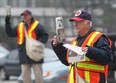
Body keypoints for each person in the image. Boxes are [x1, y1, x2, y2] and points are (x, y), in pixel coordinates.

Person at [52, 10, 112, 83]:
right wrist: (57, 46)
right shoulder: (75, 41)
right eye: (75, 22)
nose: (75, 24)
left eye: (79, 22)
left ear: (88, 23)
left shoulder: (99, 37)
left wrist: (89, 50)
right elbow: (67, 61)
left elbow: (106, 58)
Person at [5, 10, 49, 83]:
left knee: (38, 78)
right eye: (23, 15)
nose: (24, 17)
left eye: (26, 15)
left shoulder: (38, 25)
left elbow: (45, 35)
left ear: (30, 16)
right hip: (24, 56)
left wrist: (38, 43)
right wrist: (7, 22)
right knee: (26, 79)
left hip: (36, 55)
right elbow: (10, 33)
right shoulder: (20, 26)